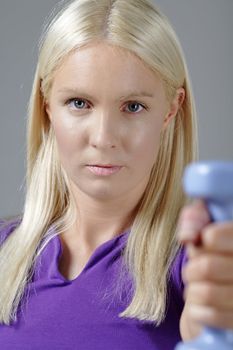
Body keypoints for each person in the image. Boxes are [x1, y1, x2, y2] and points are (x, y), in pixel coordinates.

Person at [0, 0, 233, 349]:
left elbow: (209, 324)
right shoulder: (5, 253)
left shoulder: (196, 261)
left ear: (171, 109)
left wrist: (215, 328)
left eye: (133, 107)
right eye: (79, 103)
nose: (104, 138)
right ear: (47, 106)